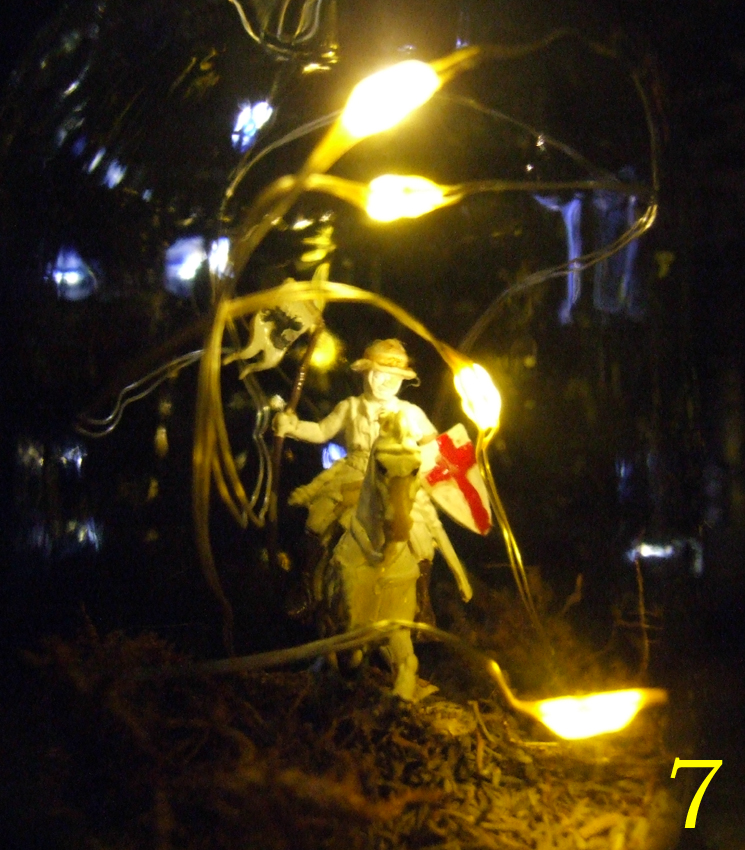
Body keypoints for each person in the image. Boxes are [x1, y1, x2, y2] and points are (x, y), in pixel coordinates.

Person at [274, 338, 472, 620]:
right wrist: (293, 427)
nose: (387, 381)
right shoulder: (351, 407)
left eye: (395, 376)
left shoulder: (411, 413)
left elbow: (436, 447)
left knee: (421, 537)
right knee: (317, 519)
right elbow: (320, 431)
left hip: (395, 479)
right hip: (353, 472)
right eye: (380, 373)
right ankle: (309, 587)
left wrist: (438, 462)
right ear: (366, 372)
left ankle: (421, 600)